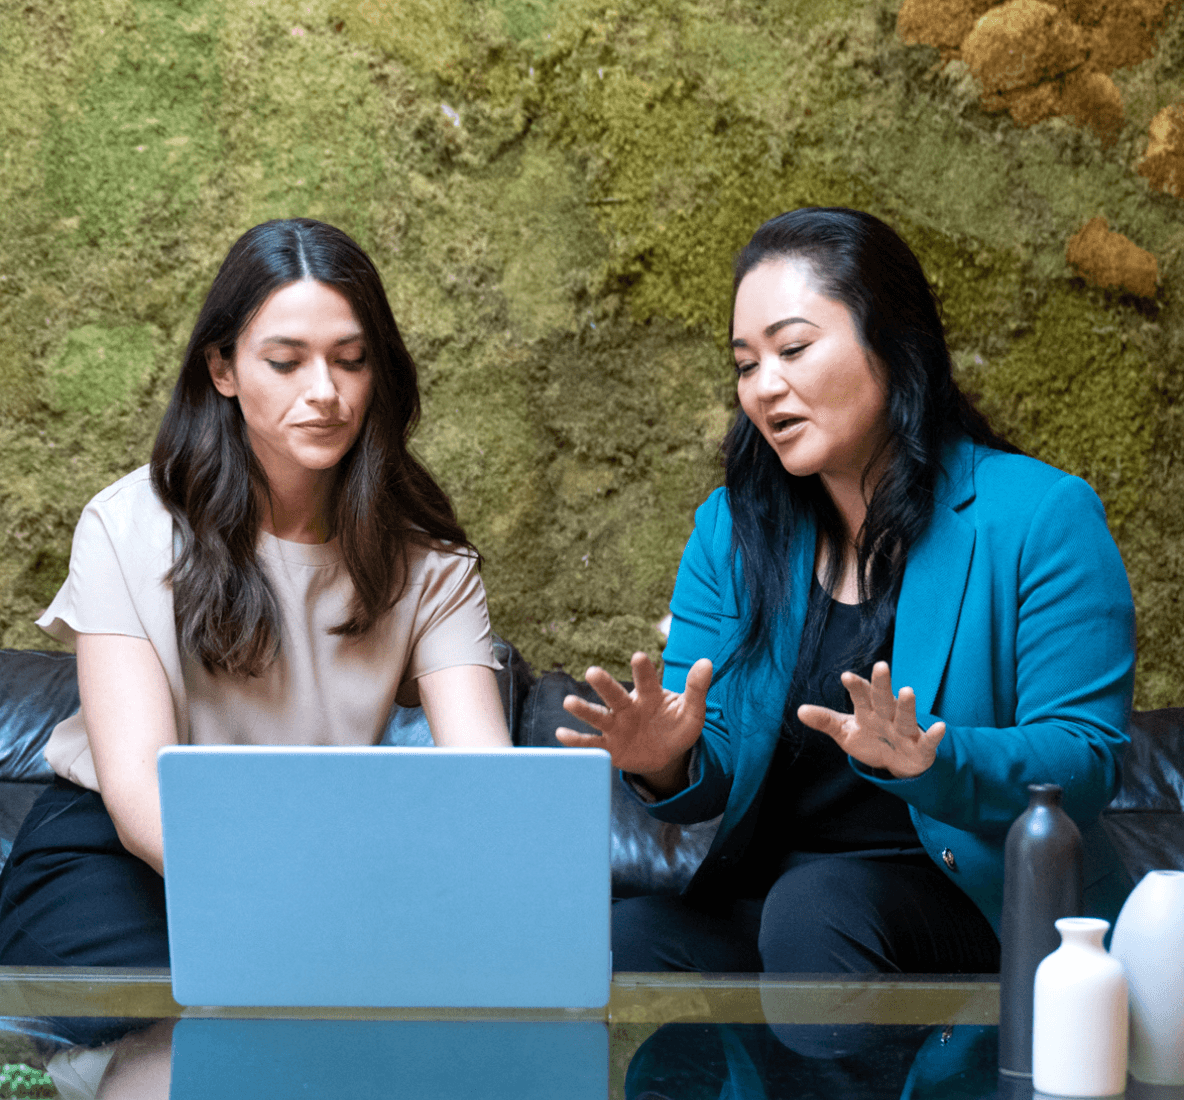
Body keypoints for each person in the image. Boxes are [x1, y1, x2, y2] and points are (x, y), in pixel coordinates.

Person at [559, 207, 1136, 974]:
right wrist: (665, 759)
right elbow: (714, 759)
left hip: (977, 904)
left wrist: (933, 757)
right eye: (744, 364)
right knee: (620, 941)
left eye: (793, 348)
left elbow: (1086, 758)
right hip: (783, 904)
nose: (765, 388)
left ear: (894, 346)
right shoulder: (732, 530)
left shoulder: (1039, 516)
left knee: (820, 910)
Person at [0, 218, 510, 970]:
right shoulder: (127, 525)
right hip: (123, 857)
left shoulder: (430, 562)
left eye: (351, 360)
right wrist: (293, 914)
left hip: (328, 854)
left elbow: (487, 785)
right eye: (285, 361)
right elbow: (142, 798)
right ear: (223, 368)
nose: (326, 393)